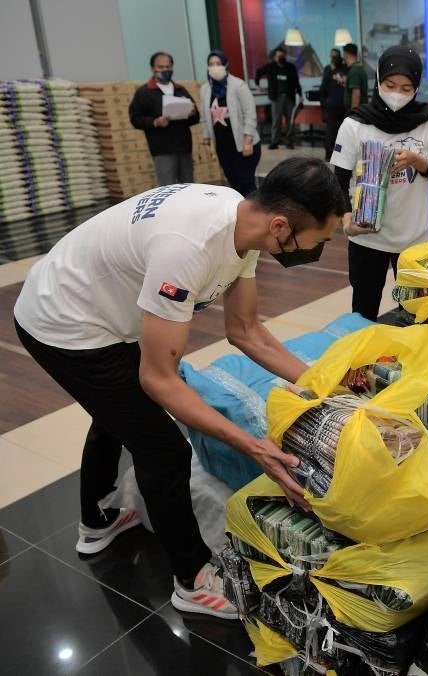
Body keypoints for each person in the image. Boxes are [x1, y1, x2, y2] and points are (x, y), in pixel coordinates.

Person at [13, 157, 345, 620]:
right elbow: (158, 378)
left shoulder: (242, 223)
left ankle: (97, 521)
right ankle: (190, 579)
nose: (322, 247)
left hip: (99, 309)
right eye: (322, 239)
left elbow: (246, 330)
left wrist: (327, 387)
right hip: (63, 324)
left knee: (118, 413)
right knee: (165, 450)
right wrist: (255, 447)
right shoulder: (189, 248)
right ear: (281, 226)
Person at [331, 46, 428, 321]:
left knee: (415, 314)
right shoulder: (355, 124)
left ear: (417, 87)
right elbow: (338, 180)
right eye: (390, 85)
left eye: (407, 88)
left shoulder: (427, 122)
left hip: (413, 238)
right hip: (367, 238)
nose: (397, 93)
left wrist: (416, 160)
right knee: (363, 311)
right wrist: (347, 219)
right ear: (378, 80)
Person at [129, 51, 200, 186]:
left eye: (168, 67)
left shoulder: (180, 90)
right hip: (162, 149)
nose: (165, 70)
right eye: (160, 67)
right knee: (167, 188)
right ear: (152, 69)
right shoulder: (144, 92)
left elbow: (195, 118)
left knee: (189, 187)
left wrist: (192, 113)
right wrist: (155, 122)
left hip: (184, 147)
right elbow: (135, 118)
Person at [200, 50, 261, 196]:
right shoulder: (205, 89)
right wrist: (206, 143)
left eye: (218, 63)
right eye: (211, 64)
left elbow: (250, 114)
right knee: (233, 184)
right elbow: (204, 117)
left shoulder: (238, 86)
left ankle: (253, 214)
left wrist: (247, 140)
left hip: (244, 145)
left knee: (246, 183)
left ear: (225, 65)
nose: (214, 67)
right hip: (223, 146)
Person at [255, 46, 302, 149]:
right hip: (276, 98)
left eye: (282, 55)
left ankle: (289, 141)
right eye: (279, 55)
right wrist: (257, 85)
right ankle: (274, 141)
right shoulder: (270, 66)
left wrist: (300, 94)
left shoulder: (291, 67)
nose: (281, 57)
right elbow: (258, 72)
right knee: (276, 120)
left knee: (290, 120)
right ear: (275, 57)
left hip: (289, 97)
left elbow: (296, 81)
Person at [319, 47, 348, 160]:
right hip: (331, 106)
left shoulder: (346, 69)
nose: (334, 58)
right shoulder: (328, 69)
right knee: (331, 132)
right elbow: (323, 89)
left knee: (342, 133)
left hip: (344, 106)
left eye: (335, 55)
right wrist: (324, 107)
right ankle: (329, 154)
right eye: (332, 56)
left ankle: (339, 153)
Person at [342, 43, 368, 111]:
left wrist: (353, 114)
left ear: (346, 54)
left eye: (343, 54)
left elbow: (356, 94)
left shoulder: (354, 70)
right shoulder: (358, 68)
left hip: (357, 112)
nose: (343, 57)